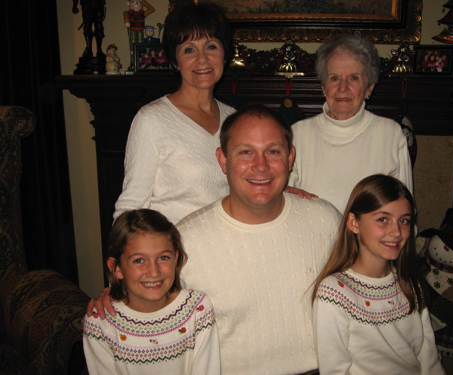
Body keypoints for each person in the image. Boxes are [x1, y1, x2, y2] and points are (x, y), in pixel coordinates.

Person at [90, 105, 342, 375]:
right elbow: (151, 306)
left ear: (290, 158)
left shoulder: (324, 220)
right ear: (222, 160)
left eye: (273, 151)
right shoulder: (185, 241)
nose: (261, 165)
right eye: (246, 152)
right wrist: (116, 293)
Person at [114, 1, 235, 224]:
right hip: (173, 253)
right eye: (189, 49)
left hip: (225, 249)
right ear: (174, 61)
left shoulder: (234, 119)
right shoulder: (151, 120)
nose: (202, 59)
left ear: (224, 55)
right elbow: (130, 205)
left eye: (211, 46)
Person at [312, 174, 445, 375]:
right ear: (354, 223)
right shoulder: (334, 293)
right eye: (383, 219)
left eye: (405, 221)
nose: (397, 232)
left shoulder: (410, 284)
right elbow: (334, 370)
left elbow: (429, 358)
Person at [83, 209, 220, 374]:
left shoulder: (197, 310)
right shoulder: (100, 324)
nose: (154, 272)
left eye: (163, 258)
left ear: (175, 259)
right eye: (139, 260)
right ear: (116, 268)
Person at [288, 33, 413, 214]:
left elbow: (405, 210)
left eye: (354, 78)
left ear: (369, 88)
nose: (343, 87)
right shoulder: (298, 134)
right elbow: (282, 201)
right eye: (334, 78)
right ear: (324, 87)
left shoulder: (390, 134)